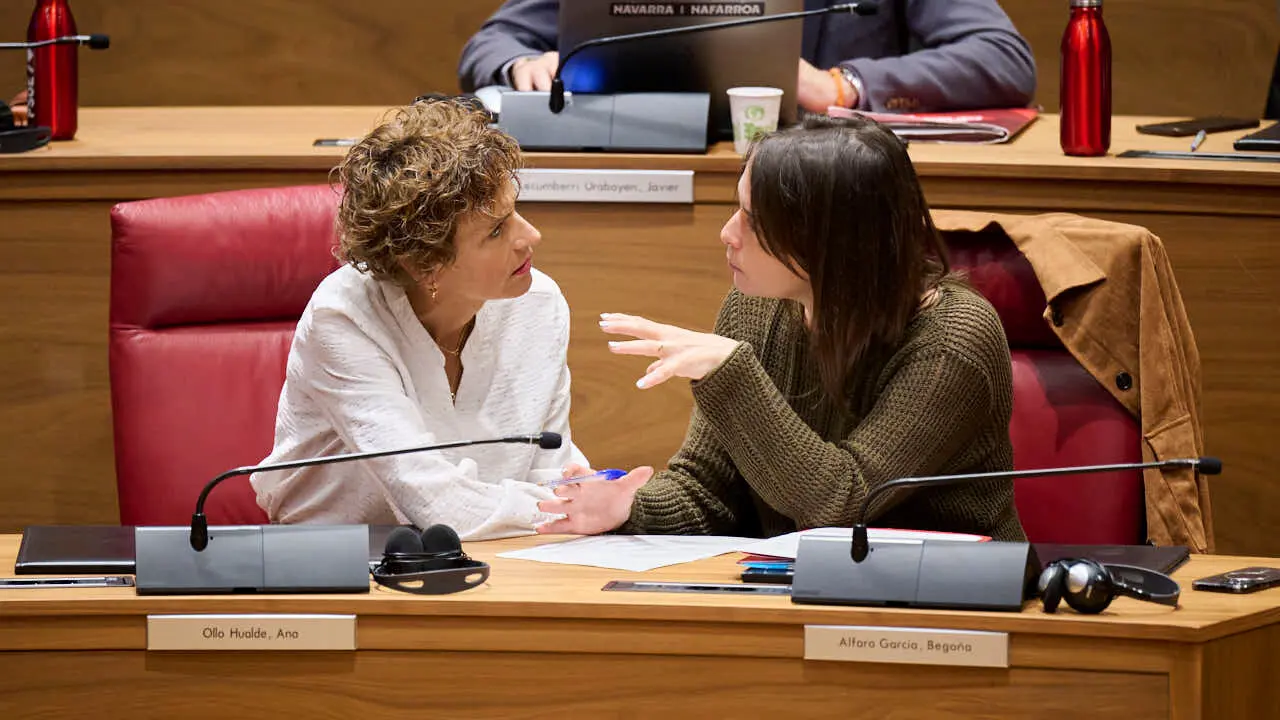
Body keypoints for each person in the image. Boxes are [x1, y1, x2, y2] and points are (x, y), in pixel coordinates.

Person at [535, 115, 1025, 541]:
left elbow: (844, 503)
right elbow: (710, 489)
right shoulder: (755, 309)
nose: (727, 233)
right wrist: (626, 507)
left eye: (754, 219)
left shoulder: (953, 338)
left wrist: (734, 377)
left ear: (828, 239)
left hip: (949, 607)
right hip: (799, 591)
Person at [250, 98, 589, 541]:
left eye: (515, 212)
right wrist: (570, 512)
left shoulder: (538, 303)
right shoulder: (344, 318)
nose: (531, 237)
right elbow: (438, 505)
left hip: (499, 553)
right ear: (426, 264)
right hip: (338, 567)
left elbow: (553, 470)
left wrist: (591, 499)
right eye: (495, 230)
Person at [458, 0, 1036, 114]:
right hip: (656, 168)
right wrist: (521, 66)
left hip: (823, 190)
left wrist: (845, 85)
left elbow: (1004, 58)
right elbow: (492, 43)